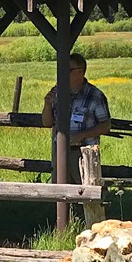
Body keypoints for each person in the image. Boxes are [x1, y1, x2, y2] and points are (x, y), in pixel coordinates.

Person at [41, 52, 111, 183]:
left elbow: (106, 125)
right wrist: (47, 104)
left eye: (68, 70)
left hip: (85, 152)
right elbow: (47, 122)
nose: (62, 74)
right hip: (60, 150)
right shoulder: (57, 92)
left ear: (80, 72)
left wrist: (82, 135)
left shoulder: (95, 95)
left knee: (84, 190)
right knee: (60, 193)